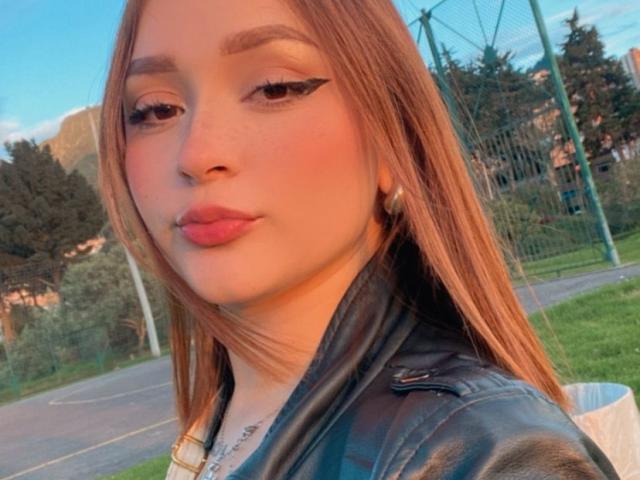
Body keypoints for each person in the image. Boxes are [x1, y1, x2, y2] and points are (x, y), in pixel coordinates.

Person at [97, 0, 621, 478]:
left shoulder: (486, 456)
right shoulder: (223, 415)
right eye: (156, 110)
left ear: (393, 141)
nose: (195, 154)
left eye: (275, 87)